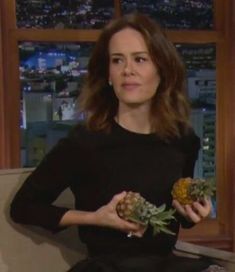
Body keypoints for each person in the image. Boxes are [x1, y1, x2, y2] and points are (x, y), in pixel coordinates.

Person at [10, 13, 220, 272]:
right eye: (117, 60)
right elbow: (24, 207)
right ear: (108, 75)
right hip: (106, 266)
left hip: (164, 265)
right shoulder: (85, 142)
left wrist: (192, 213)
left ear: (162, 70)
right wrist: (94, 218)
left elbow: (175, 216)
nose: (127, 70)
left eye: (140, 59)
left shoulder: (183, 140)